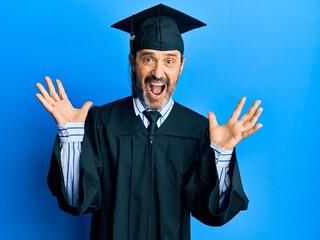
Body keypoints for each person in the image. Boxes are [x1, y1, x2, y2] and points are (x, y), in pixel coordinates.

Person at [35, 4, 263, 240]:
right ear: (133, 62)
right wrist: (71, 136)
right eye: (148, 59)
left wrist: (221, 154)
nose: (158, 72)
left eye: (169, 61)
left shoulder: (199, 131)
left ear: (181, 66)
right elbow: (76, 203)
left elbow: (212, 212)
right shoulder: (101, 122)